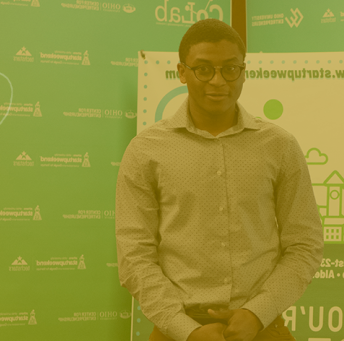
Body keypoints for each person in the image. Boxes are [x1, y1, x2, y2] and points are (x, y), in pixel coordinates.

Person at [116, 19, 323, 341]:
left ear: (243, 71)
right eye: (203, 69)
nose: (218, 81)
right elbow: (134, 256)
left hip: (264, 328)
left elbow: (305, 244)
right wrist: (186, 330)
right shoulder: (145, 151)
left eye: (230, 69)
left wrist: (257, 312)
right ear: (181, 72)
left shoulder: (279, 146)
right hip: (178, 330)